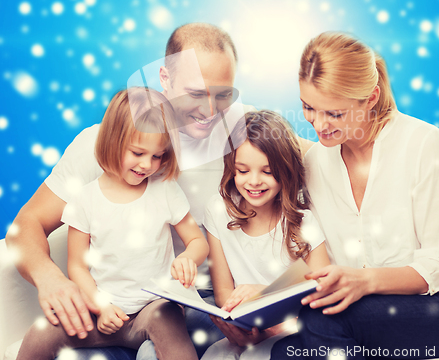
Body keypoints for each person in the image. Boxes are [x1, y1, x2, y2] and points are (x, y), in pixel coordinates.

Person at [5, 23, 251, 359]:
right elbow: (27, 225)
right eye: (196, 93)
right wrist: (51, 279)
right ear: (165, 79)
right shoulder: (104, 142)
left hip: (194, 301)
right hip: (108, 303)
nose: (210, 110)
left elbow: (312, 149)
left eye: (223, 94)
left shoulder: (246, 133)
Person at [270, 32, 439, 359]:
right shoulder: (316, 163)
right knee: (287, 351)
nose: (319, 125)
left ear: (371, 97)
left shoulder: (423, 145)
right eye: (308, 108)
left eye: (334, 113)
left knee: (320, 323)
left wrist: (363, 281)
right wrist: (261, 304)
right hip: (383, 307)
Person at [16, 87, 208, 360]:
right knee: (41, 333)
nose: (147, 165)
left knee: (168, 320)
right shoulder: (85, 199)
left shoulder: (165, 189)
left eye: (157, 156)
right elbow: (77, 266)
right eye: (138, 152)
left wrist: (189, 257)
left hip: (153, 308)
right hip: (103, 312)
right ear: (113, 141)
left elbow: (197, 241)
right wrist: (101, 306)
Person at [203, 110, 330, 360]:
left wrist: (263, 297)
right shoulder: (217, 210)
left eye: (267, 171)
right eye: (242, 170)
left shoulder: (305, 223)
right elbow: (223, 294)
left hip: (292, 331)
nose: (254, 182)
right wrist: (244, 326)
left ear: (285, 171)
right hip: (245, 328)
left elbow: (322, 294)